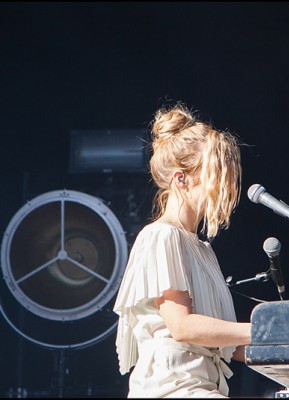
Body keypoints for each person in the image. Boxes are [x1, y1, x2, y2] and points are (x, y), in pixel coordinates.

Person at [113, 103, 251, 398]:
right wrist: (261, 331)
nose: (226, 184)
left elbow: (227, 343)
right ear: (181, 179)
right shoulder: (161, 237)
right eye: (215, 174)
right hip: (172, 390)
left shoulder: (202, 249)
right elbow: (183, 327)